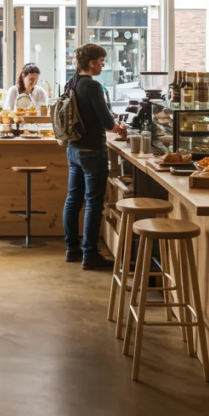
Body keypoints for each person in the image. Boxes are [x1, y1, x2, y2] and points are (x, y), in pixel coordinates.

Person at [62, 43, 123, 270]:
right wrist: (119, 128)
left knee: (73, 200)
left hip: (74, 149)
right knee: (94, 202)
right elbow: (107, 123)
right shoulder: (93, 86)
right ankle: (90, 255)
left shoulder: (72, 82)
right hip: (92, 151)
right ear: (91, 63)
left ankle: (72, 249)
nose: (102, 65)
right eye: (101, 61)